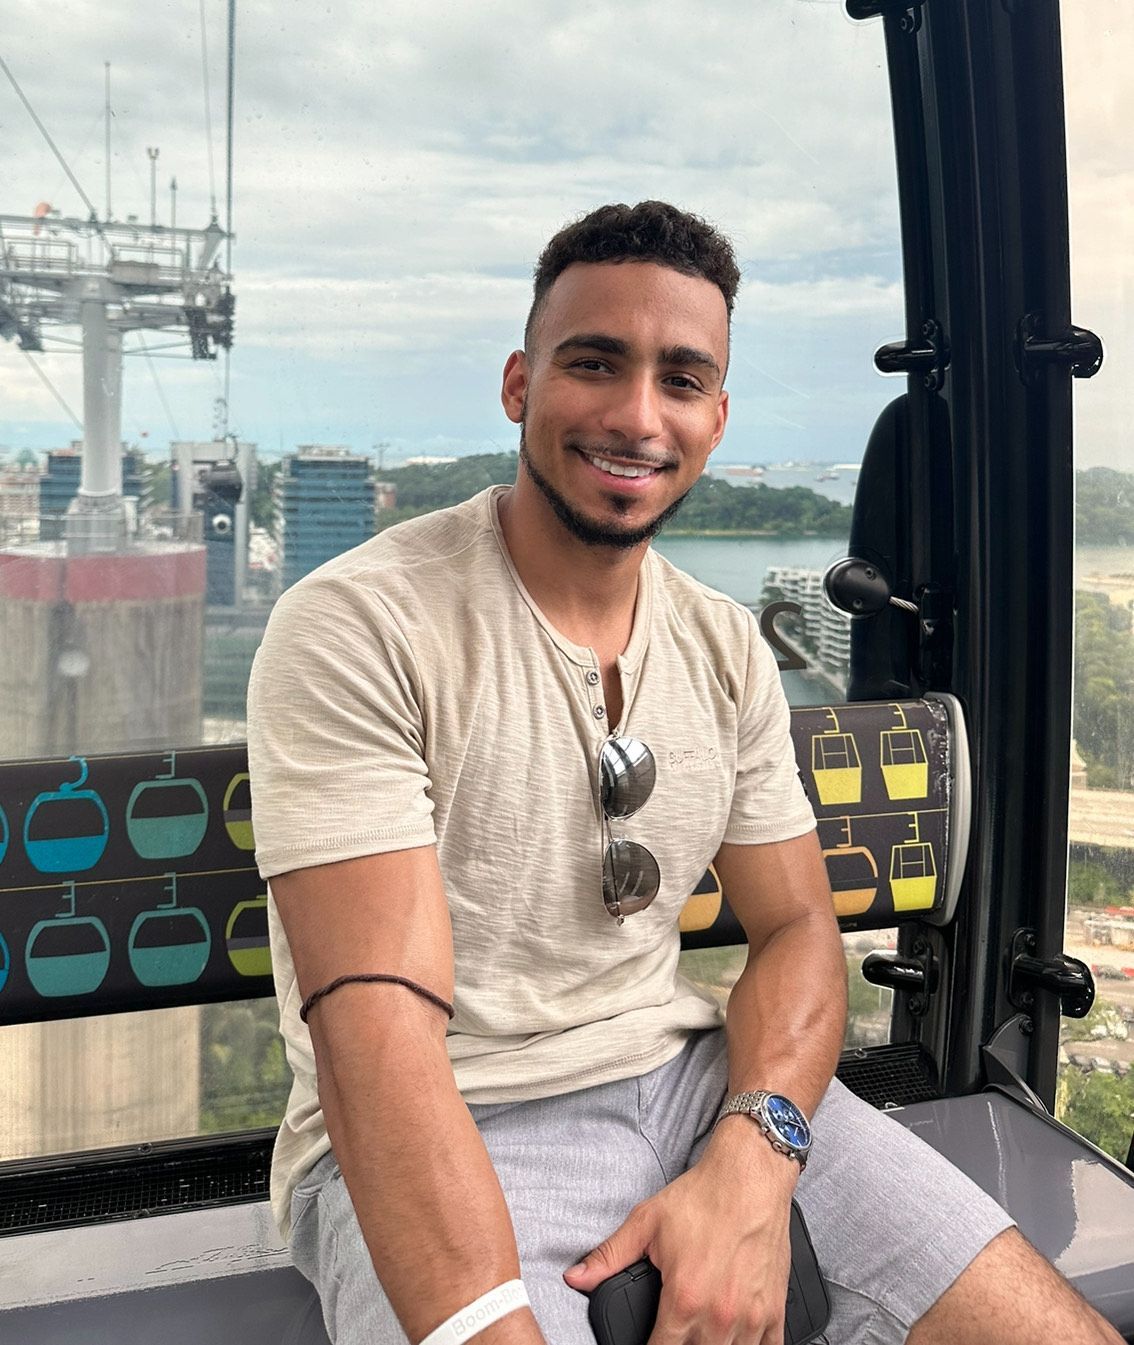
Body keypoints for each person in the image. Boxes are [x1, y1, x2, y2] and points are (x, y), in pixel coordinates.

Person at [246, 201, 1121, 1345]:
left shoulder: (721, 644)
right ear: (519, 383)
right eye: (594, 363)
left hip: (697, 1083)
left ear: (716, 417)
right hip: (453, 1119)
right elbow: (377, 1021)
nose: (635, 415)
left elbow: (800, 925)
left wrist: (756, 1158)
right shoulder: (362, 624)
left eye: (681, 378)